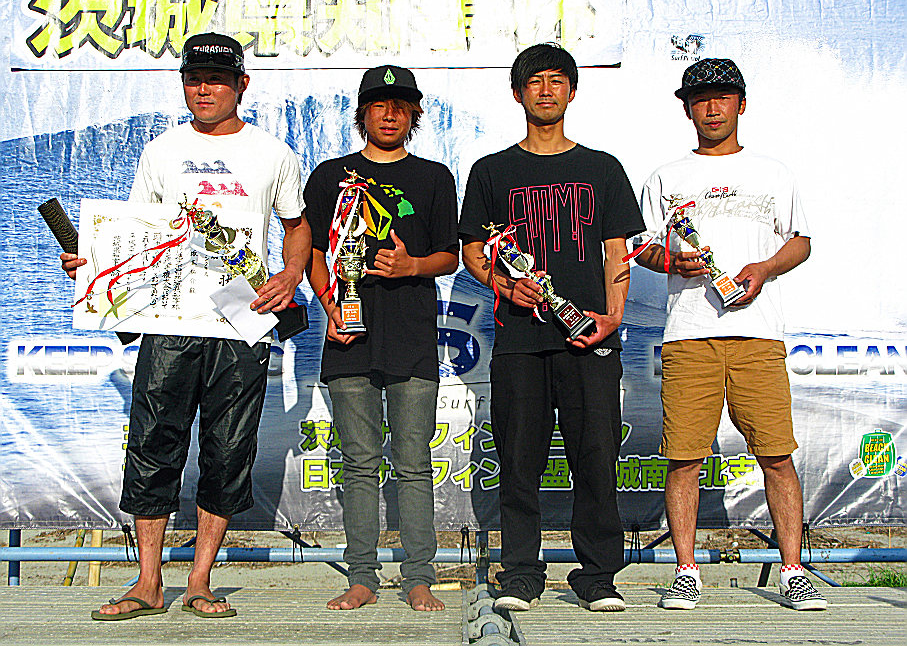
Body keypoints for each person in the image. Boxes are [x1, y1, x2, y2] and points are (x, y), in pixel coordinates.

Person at [61, 32, 312, 620]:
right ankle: (148, 582)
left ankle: (200, 580)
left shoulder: (273, 152)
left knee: (228, 450)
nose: (204, 90)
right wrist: (92, 263)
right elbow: (136, 233)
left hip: (242, 322)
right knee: (153, 443)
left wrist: (290, 273)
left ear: (241, 85)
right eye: (193, 79)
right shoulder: (161, 151)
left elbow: (296, 225)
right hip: (168, 320)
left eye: (216, 80)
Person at [633, 58, 826, 611]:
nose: (712, 108)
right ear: (687, 109)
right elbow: (642, 248)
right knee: (684, 458)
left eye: (722, 97)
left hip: (758, 336)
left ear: (742, 104)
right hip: (688, 337)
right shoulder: (665, 176)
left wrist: (764, 268)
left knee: (777, 455)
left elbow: (800, 241)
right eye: (700, 99)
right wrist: (672, 261)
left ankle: (793, 570)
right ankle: (686, 571)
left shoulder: (774, 172)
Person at [459, 43, 645, 612]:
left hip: (589, 338)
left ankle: (598, 576)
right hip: (520, 340)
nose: (546, 90)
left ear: (572, 91)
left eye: (556, 80)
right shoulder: (491, 171)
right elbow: (473, 252)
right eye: (535, 81)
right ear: (518, 93)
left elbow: (617, 250)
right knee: (519, 462)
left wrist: (613, 316)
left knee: (596, 458)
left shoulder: (602, 168)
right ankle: (520, 573)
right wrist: (503, 284)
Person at [304, 65, 457, 611]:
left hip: (412, 337)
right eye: (379, 105)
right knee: (360, 463)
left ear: (415, 115)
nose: (390, 115)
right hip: (348, 339)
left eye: (401, 107)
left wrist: (412, 265)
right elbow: (311, 252)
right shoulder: (331, 175)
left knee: (413, 463)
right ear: (362, 113)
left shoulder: (434, 176)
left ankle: (419, 575)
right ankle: (362, 577)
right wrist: (329, 304)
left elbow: (450, 255)